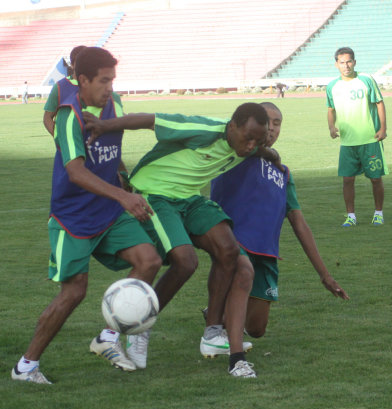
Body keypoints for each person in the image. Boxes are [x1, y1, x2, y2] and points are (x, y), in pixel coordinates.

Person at [84, 102, 279, 378]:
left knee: (228, 251)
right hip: (155, 193)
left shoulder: (247, 144)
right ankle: (142, 324)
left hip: (190, 198)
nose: (250, 146)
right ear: (232, 126)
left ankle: (213, 332)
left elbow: (260, 149)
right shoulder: (203, 130)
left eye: (257, 141)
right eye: (247, 138)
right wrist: (104, 126)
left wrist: (271, 154)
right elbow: (150, 120)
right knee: (185, 262)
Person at [11, 47, 162, 384]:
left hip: (109, 211)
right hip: (73, 217)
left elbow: (113, 152)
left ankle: (108, 337)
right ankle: (26, 366)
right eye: (104, 80)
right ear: (83, 80)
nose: (110, 87)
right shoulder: (69, 115)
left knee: (149, 260)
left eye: (113, 80)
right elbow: (76, 172)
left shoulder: (114, 105)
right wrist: (123, 195)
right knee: (74, 292)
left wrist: (127, 184)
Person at [208, 102, 349, 342]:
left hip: (267, 254)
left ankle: (218, 313)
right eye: (268, 122)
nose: (272, 128)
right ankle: (223, 333)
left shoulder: (283, 173)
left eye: (277, 123)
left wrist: (325, 275)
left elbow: (299, 222)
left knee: (256, 329)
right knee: (238, 289)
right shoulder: (235, 151)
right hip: (234, 245)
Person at [327, 47, 388, 227]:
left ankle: (378, 213)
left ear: (354, 62)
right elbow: (330, 109)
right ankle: (351, 216)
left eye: (349, 61)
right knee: (347, 180)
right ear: (336, 64)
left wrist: (383, 128)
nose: (346, 65)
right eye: (342, 62)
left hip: (370, 139)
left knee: (376, 179)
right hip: (347, 142)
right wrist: (331, 126)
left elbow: (379, 103)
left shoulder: (366, 80)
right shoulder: (332, 86)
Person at [43, 45, 87, 136]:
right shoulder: (60, 87)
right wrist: (60, 139)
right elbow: (47, 118)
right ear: (72, 65)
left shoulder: (97, 85)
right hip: (67, 149)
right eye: (80, 63)